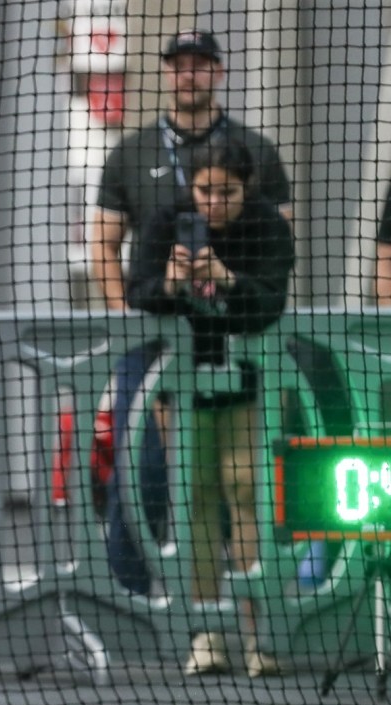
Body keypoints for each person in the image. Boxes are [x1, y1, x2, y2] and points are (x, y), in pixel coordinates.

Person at [126, 139, 293, 677]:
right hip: (182, 386)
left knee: (248, 492)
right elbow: (139, 292)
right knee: (194, 499)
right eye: (205, 191)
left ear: (247, 188)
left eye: (228, 192)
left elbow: (270, 302)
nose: (215, 202)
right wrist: (173, 283)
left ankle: (256, 634)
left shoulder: (268, 224)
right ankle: (207, 632)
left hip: (252, 386)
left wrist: (226, 279)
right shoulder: (165, 221)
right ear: (190, 188)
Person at [90, 29, 293, 311]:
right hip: (158, 317)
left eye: (199, 66)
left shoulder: (257, 150)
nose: (188, 75)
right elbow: (103, 245)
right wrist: (124, 314)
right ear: (166, 73)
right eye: (179, 66)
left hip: (240, 321)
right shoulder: (131, 153)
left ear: (219, 72)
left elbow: (280, 237)